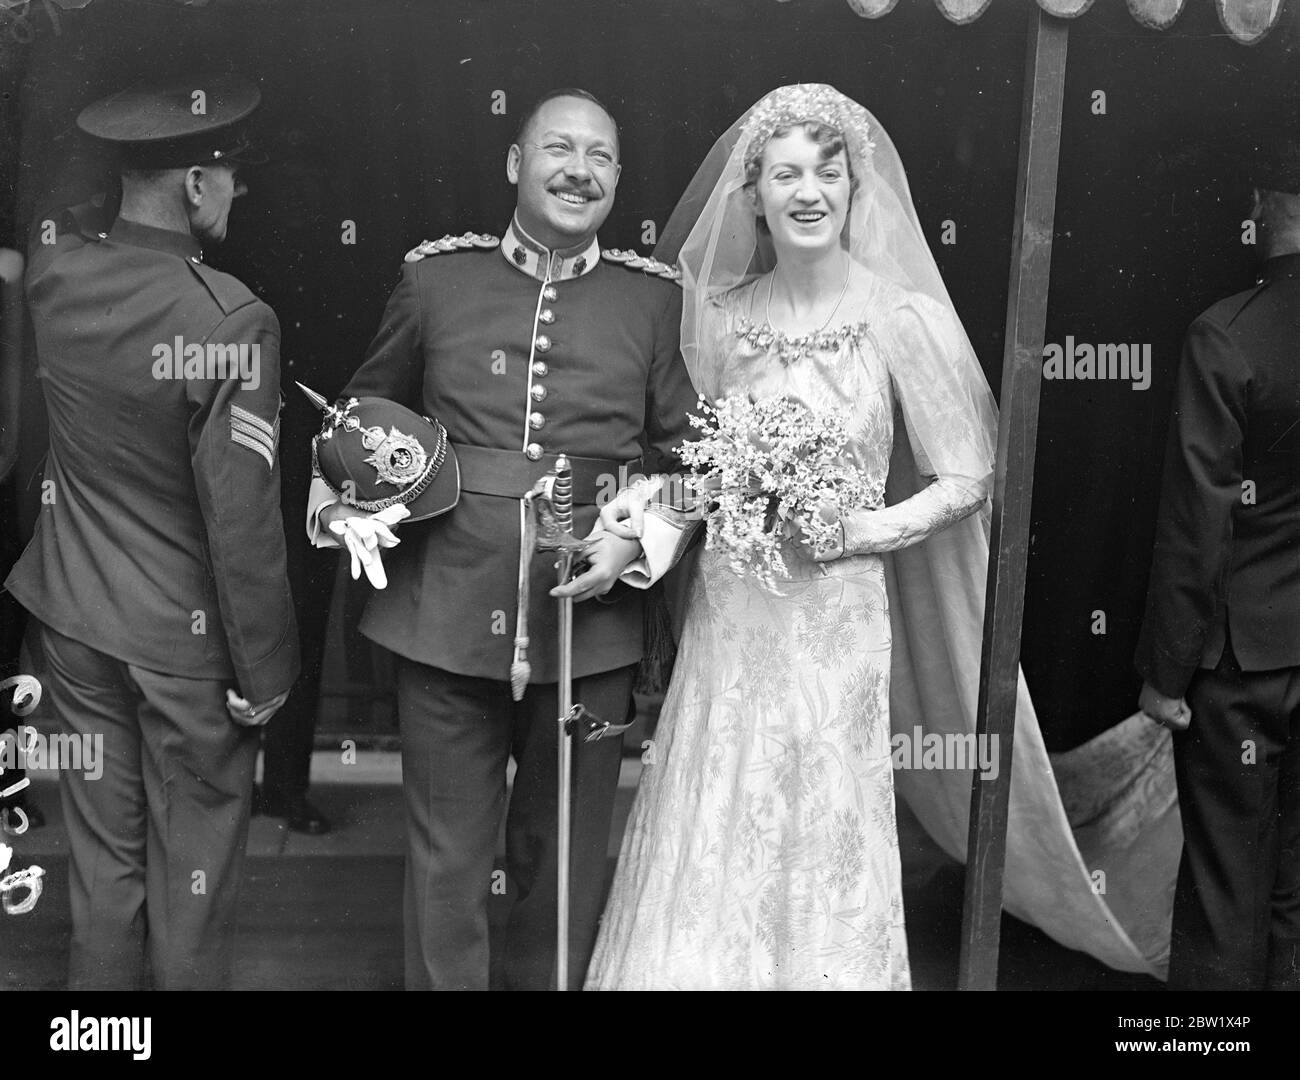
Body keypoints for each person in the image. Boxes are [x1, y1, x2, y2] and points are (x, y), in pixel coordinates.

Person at [585, 84, 1179, 990]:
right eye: (786, 173)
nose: (809, 190)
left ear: (858, 187)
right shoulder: (719, 313)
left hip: (839, 607)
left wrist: (870, 527)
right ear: (753, 195)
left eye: (830, 170)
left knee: (822, 806)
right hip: (736, 602)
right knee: (718, 791)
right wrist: (652, 516)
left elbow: (969, 474)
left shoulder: (901, 316)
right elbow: (699, 461)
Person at [306, 88, 698, 990]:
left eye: (600, 157)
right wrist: (337, 509)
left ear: (618, 180)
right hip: (442, 610)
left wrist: (641, 543)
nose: (580, 171)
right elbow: (356, 420)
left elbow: (691, 459)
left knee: (560, 865)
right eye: (558, 150)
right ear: (516, 166)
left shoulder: (650, 301)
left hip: (590, 629)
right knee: (446, 867)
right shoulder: (436, 279)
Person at [3, 75, 299, 989]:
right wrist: (268, 671)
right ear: (197, 185)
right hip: (186, 647)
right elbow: (239, 518)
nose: (235, 194)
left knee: (102, 873)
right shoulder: (229, 316)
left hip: (75, 618)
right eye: (229, 178)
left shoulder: (57, 276)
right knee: (193, 889)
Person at [1135, 146, 1300, 991]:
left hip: (1243, 663)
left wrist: (1165, 674)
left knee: (1225, 890)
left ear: (1269, 209)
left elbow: (1197, 523)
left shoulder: (1226, 333)